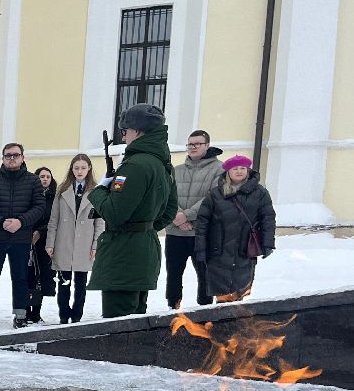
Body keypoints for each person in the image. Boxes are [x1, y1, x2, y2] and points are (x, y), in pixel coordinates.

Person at [87, 103, 177, 317]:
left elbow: (114, 213)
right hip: (144, 251)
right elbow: (169, 211)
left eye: (125, 131)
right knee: (135, 325)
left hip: (123, 255)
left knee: (118, 327)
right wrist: (144, 227)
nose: (124, 136)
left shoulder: (134, 165)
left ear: (137, 130)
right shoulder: (162, 164)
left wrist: (98, 191)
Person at [0, 142, 46, 330]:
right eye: (8, 155)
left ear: (23, 158)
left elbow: (39, 207)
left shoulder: (33, 181)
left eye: (15, 155)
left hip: (21, 238)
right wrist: (1, 222)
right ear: (3, 158)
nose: (12, 158)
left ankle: (20, 315)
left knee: (21, 277)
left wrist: (21, 222)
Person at [194, 154, 276, 303]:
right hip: (218, 251)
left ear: (248, 170)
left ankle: (238, 320)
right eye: (235, 168)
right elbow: (202, 223)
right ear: (228, 172)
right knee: (222, 295)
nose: (239, 171)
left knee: (240, 292)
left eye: (243, 168)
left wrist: (268, 243)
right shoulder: (215, 194)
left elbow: (268, 219)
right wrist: (200, 249)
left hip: (245, 250)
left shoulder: (260, 193)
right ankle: (222, 320)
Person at [46, 153, 104, 324]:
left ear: (89, 169)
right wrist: (50, 243)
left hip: (84, 244)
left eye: (83, 168)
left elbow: (99, 223)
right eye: (76, 168)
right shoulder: (62, 190)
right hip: (64, 241)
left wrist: (95, 245)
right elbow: (54, 219)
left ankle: (77, 315)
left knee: (81, 284)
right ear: (72, 169)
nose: (80, 171)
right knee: (63, 283)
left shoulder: (96, 192)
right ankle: (64, 315)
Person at [168, 129, 222, 309]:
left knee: (205, 275)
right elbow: (166, 197)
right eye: (190, 144)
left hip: (203, 233)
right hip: (176, 232)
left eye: (197, 144)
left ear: (207, 145)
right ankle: (173, 311)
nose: (192, 147)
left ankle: (204, 313)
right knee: (173, 275)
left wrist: (187, 215)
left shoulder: (219, 170)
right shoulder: (176, 171)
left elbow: (213, 197)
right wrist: (178, 217)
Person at [27, 166, 57, 323]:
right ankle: (25, 311)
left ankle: (36, 313)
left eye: (48, 177)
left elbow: (54, 219)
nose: (45, 179)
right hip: (28, 240)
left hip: (45, 242)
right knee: (27, 277)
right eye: (42, 176)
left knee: (42, 278)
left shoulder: (55, 198)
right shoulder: (29, 196)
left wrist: (41, 231)